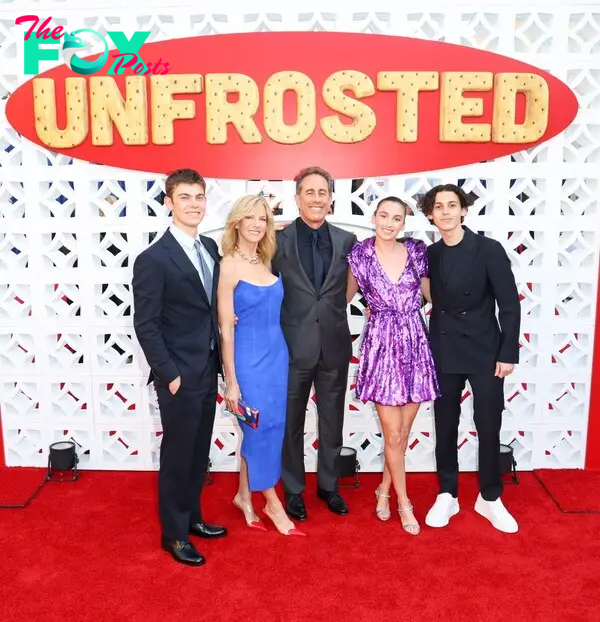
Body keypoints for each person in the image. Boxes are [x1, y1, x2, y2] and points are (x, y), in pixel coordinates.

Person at [132, 169, 226, 566]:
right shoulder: (153, 258)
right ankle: (173, 535)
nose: (193, 204)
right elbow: (145, 324)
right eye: (184, 197)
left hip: (208, 367)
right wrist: (169, 374)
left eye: (199, 197)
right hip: (179, 375)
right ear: (169, 203)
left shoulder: (209, 247)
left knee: (197, 451)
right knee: (176, 454)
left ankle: (192, 518)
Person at [417, 183, 521, 534]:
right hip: (444, 349)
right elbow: (422, 296)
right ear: (430, 214)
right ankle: (448, 493)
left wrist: (508, 352)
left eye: (452, 205)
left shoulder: (489, 250)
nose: (445, 211)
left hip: (486, 350)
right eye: (438, 206)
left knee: (489, 423)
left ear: (463, 210)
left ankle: (489, 497)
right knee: (445, 424)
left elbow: (509, 304)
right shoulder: (429, 254)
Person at [346, 196, 440, 535]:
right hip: (383, 345)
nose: (389, 222)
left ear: (404, 222)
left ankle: (383, 490)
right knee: (393, 433)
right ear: (373, 217)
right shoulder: (360, 255)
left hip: (415, 342)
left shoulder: (417, 251)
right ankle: (404, 503)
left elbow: (432, 293)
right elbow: (340, 297)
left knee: (401, 434)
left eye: (396, 217)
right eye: (384, 215)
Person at [272, 166, 357, 521]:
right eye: (309, 192)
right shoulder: (276, 239)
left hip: (334, 344)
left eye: (323, 192)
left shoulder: (347, 240)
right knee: (291, 422)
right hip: (291, 347)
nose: (316, 199)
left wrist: (333, 312)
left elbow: (348, 288)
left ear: (331, 198)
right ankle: (294, 489)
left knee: (332, 419)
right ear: (297, 198)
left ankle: (329, 486)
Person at [217, 194, 305, 537]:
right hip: (247, 362)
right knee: (258, 429)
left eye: (263, 219)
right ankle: (272, 501)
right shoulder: (228, 265)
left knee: (268, 428)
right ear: (237, 221)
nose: (256, 224)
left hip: (276, 358)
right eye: (250, 217)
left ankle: (243, 495)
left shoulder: (266, 260)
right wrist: (232, 381)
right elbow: (226, 328)